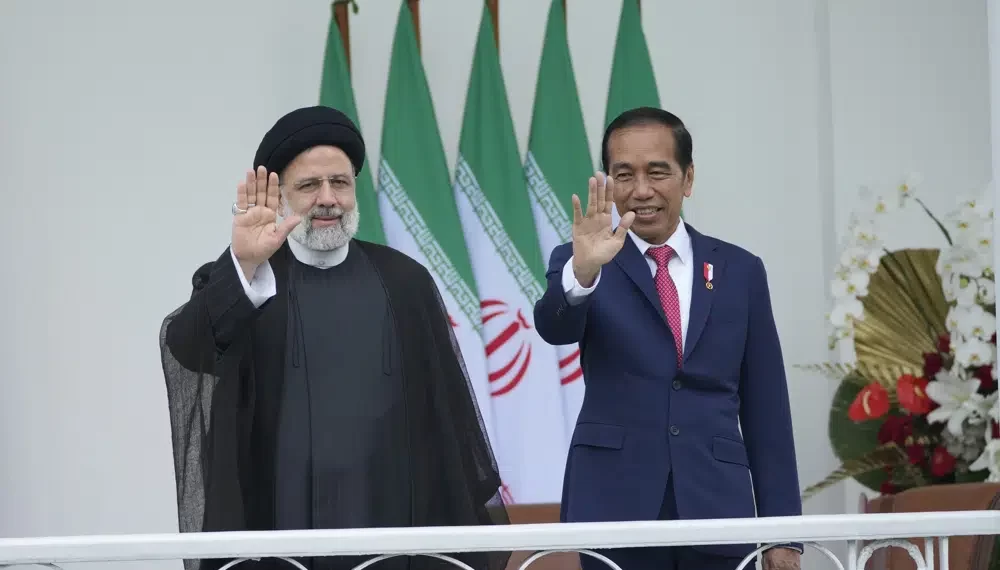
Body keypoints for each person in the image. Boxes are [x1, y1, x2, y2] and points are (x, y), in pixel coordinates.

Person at [159, 106, 509, 570]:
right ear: (279, 196)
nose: (328, 199)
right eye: (309, 185)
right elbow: (187, 347)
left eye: (340, 183)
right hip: (278, 525)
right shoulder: (248, 276)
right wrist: (242, 264)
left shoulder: (404, 281)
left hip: (392, 520)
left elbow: (447, 417)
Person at [533, 107, 802, 570]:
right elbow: (554, 327)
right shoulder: (582, 260)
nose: (641, 190)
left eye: (657, 173)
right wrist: (584, 272)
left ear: (687, 178)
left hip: (718, 506)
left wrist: (783, 532)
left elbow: (767, 407)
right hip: (614, 505)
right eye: (624, 175)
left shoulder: (740, 271)